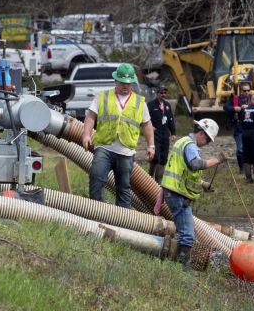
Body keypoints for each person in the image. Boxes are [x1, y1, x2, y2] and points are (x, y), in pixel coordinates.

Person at [81, 63, 154, 208]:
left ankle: (122, 221)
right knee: (96, 176)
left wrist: (151, 145)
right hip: (104, 147)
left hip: (126, 152)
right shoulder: (103, 97)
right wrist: (86, 135)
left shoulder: (140, 102)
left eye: (129, 83)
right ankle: (97, 211)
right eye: (122, 83)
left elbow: (147, 124)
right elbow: (90, 116)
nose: (126, 86)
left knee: (123, 187)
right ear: (115, 81)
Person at [161, 118, 228, 268]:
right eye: (208, 140)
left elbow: (185, 171)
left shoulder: (183, 142)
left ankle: (178, 265)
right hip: (178, 194)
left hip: (174, 191)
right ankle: (183, 269)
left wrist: (202, 184)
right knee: (187, 235)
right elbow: (195, 164)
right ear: (202, 133)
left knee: (184, 232)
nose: (208, 143)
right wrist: (218, 159)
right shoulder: (190, 145)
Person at [146, 84, 175, 182]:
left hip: (165, 134)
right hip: (155, 134)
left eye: (165, 93)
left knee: (163, 158)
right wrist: (150, 127)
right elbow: (145, 118)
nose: (163, 94)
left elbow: (171, 119)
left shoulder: (167, 105)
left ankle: (159, 180)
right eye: (161, 92)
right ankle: (150, 177)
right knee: (155, 156)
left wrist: (173, 132)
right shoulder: (150, 105)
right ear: (157, 93)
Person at [223, 82, 253, 169]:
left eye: (248, 90)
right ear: (241, 91)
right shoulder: (235, 99)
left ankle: (250, 167)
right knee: (240, 149)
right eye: (244, 90)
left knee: (250, 149)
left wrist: (249, 107)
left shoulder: (252, 99)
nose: (247, 92)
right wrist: (234, 108)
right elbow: (225, 107)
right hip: (239, 128)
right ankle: (242, 169)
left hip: (251, 128)